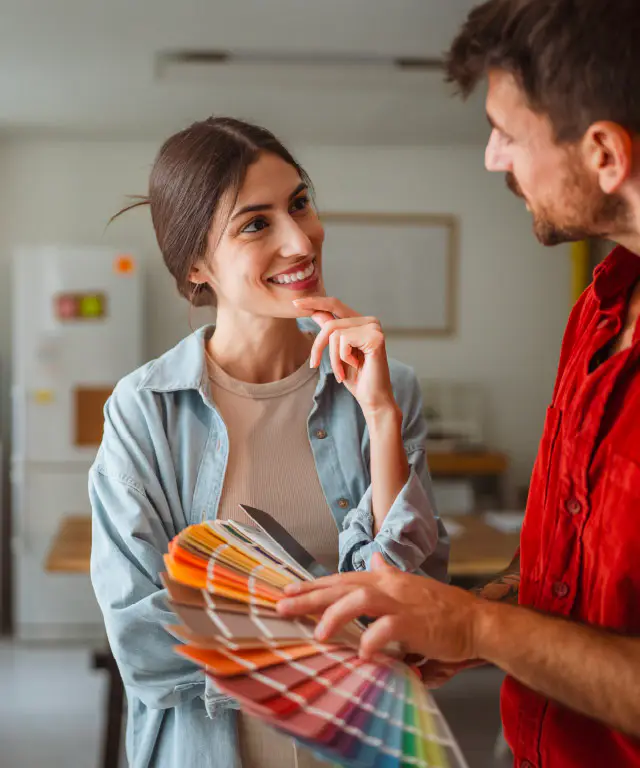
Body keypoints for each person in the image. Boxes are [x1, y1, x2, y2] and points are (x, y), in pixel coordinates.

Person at [277, 1, 640, 766]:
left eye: (507, 133)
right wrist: (465, 616)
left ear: (605, 153)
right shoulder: (599, 313)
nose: (491, 158)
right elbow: (560, 575)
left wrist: (478, 627)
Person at [89, 116, 448, 768]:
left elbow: (416, 604)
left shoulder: (388, 388)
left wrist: (382, 419)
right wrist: (344, 628)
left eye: (300, 203)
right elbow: (142, 639)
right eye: (257, 223)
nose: (300, 238)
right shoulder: (143, 414)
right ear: (198, 263)